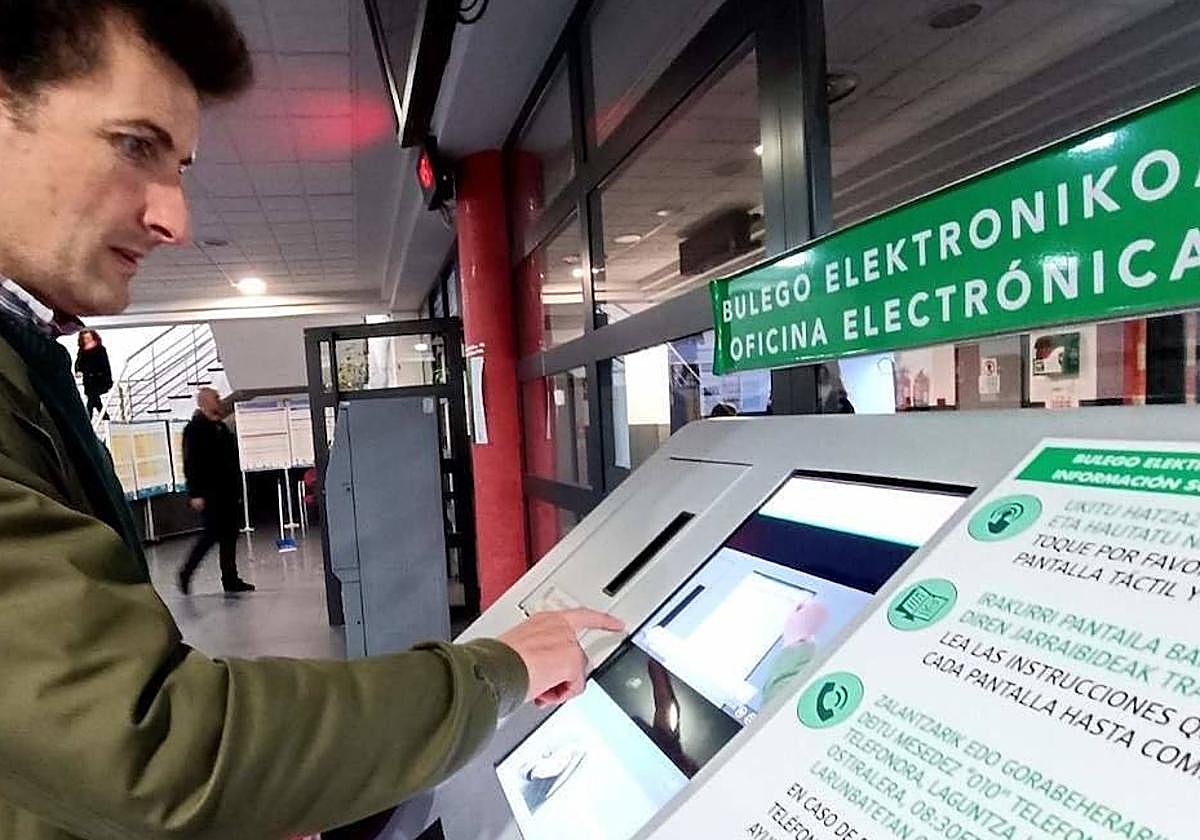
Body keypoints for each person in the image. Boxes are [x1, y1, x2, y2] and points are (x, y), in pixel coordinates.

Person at [0, 3, 621, 839]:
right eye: (134, 146)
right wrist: (493, 674)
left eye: (178, 165)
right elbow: (148, 745)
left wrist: (259, 796)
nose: (175, 218)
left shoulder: (27, 362)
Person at [179, 386, 253, 594]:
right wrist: (195, 493)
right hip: (210, 493)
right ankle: (186, 572)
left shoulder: (221, 427)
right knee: (210, 535)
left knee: (230, 535)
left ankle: (230, 579)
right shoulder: (195, 429)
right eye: (215, 398)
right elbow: (190, 462)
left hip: (228, 491)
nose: (219, 401)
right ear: (203, 402)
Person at [74, 328, 112, 418]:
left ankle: (88, 419)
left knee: (91, 399)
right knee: (94, 399)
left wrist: (107, 378)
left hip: (99, 378)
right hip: (88, 379)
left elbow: (105, 365)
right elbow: (78, 362)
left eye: (88, 338)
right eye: (84, 338)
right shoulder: (82, 350)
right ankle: (105, 416)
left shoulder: (101, 349)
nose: (86, 340)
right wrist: (78, 370)